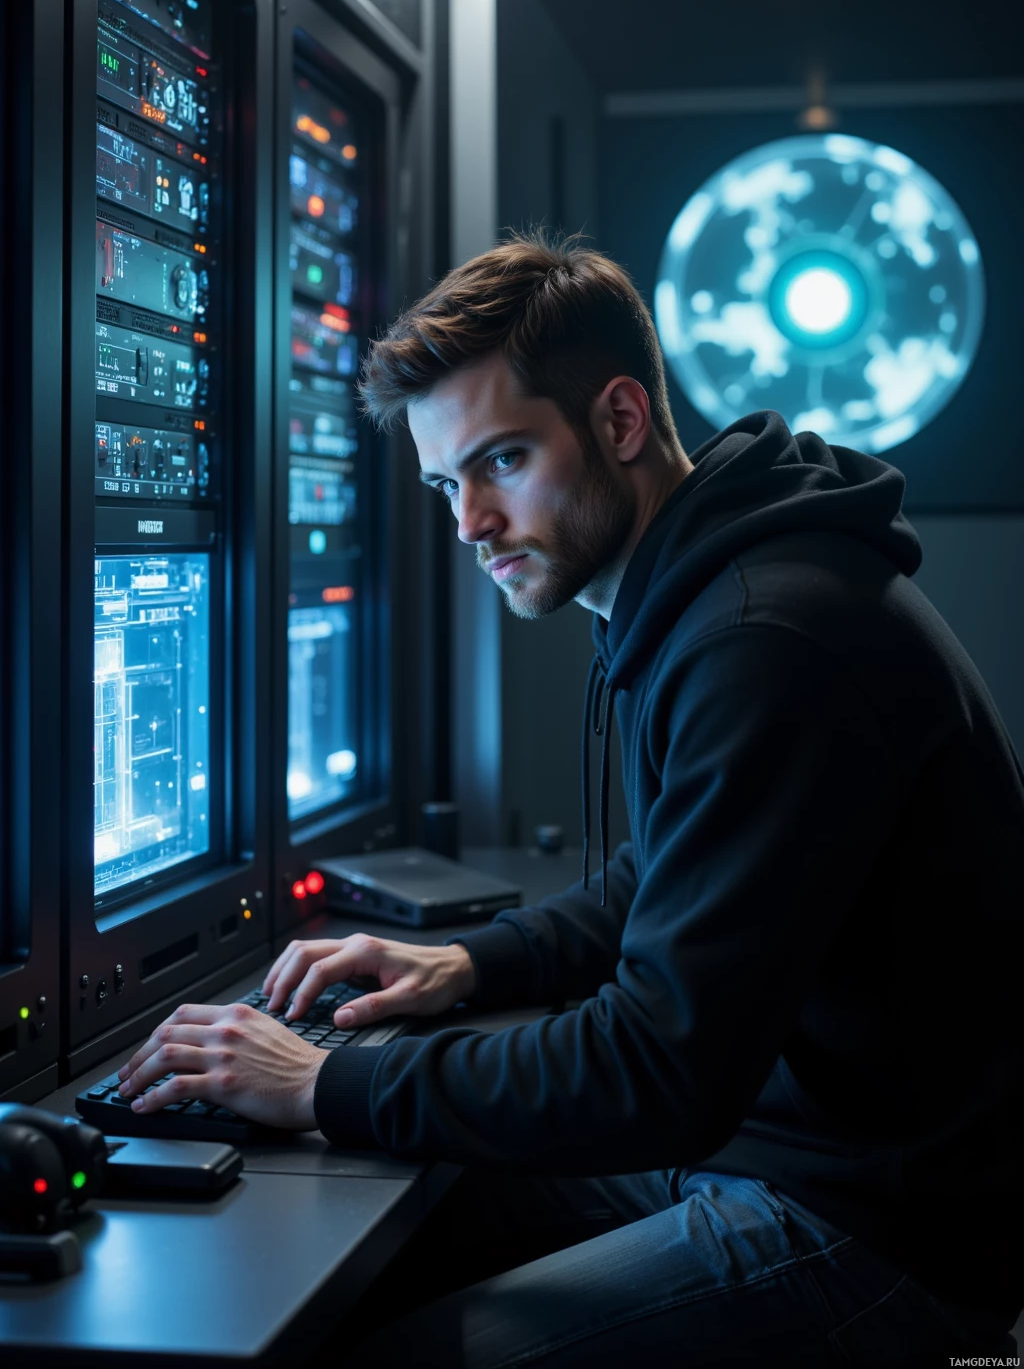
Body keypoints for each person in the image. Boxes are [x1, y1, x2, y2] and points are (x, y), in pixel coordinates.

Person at [117, 235, 1022, 1366]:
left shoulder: (764, 638)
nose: (468, 525)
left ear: (620, 421)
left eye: (500, 462)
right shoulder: (718, 588)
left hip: (879, 1232)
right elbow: (673, 867)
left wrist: (327, 1082)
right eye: (448, 483)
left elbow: (657, 1067)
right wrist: (474, 963)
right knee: (428, 1223)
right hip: (779, 1143)